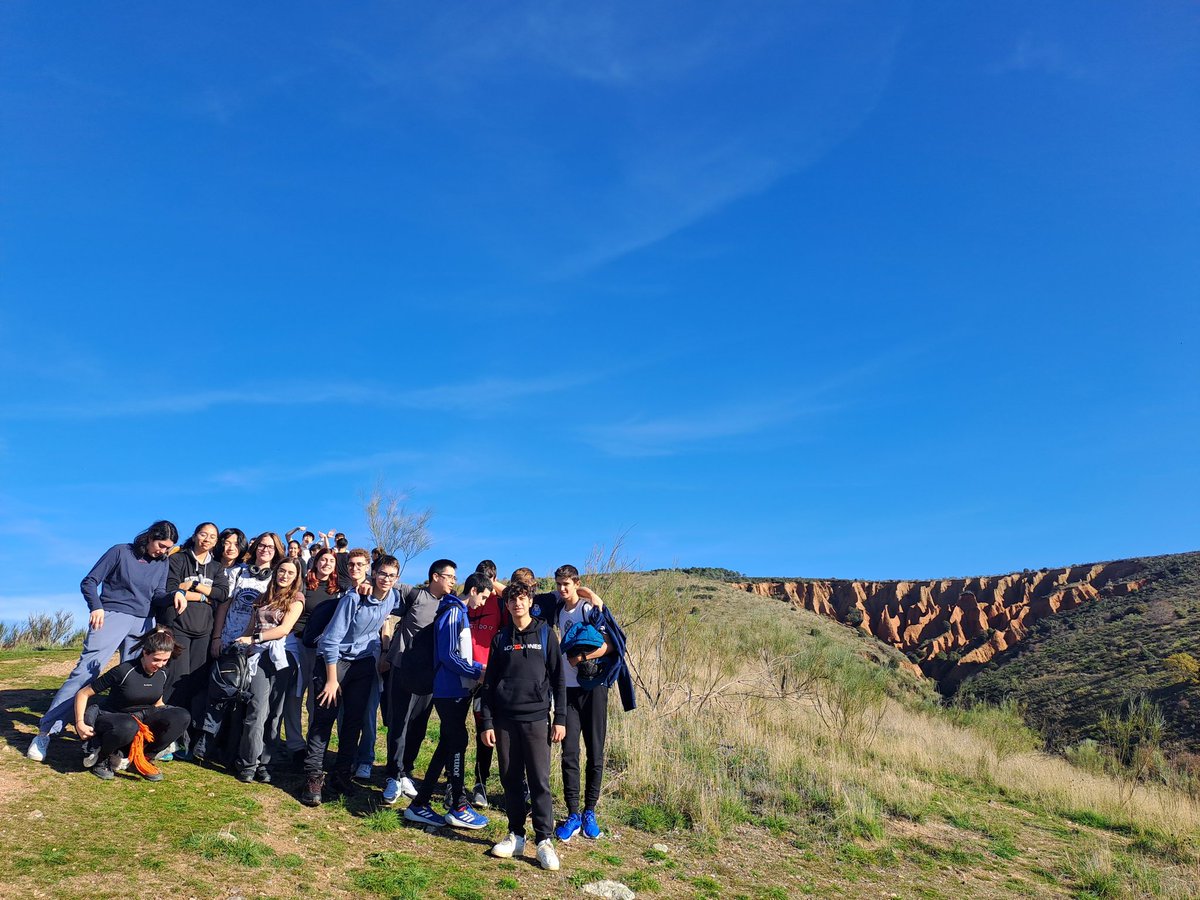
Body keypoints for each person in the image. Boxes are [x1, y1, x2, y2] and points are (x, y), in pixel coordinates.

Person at [27, 520, 178, 762]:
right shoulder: (120, 551)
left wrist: (175, 595)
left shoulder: (163, 561)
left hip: (143, 623)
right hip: (112, 616)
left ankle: (127, 742)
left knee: (137, 680)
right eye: (161, 545)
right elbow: (89, 581)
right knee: (84, 674)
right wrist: (96, 607)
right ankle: (46, 732)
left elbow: (158, 595)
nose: (164, 551)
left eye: (168, 547)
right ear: (149, 537)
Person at [300, 551, 401, 806]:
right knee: (324, 720)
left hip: (362, 665)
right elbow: (331, 641)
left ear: (396, 578)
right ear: (373, 574)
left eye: (391, 576)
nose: (385, 580)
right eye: (382, 574)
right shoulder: (353, 600)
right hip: (334, 663)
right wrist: (332, 680)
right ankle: (313, 778)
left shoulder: (393, 597)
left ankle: (341, 775)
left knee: (352, 723)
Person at [480, 581, 567, 871]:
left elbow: (558, 680)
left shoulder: (545, 634)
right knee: (510, 779)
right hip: (504, 720)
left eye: (522, 598)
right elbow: (490, 683)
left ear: (530, 601)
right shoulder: (501, 637)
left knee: (540, 781)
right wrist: (488, 722)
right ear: (506, 605)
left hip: (537, 719)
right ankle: (516, 834)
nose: (517, 604)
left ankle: (544, 840)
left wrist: (561, 718)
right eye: (511, 600)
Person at [402, 571, 489, 830]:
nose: (483, 604)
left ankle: (420, 804)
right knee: (457, 741)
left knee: (448, 744)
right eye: (482, 597)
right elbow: (450, 656)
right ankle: (458, 806)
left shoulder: (457, 613)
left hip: (457, 690)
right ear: (473, 590)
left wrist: (477, 667)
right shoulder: (453, 613)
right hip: (449, 690)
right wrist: (478, 672)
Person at [194, 531, 283, 763]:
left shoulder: (277, 578)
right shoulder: (237, 573)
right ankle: (206, 745)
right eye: (262, 545)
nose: (265, 550)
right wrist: (217, 637)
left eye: (270, 547)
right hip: (228, 640)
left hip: (255, 646)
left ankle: (231, 750)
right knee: (220, 692)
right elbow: (224, 606)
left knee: (244, 700)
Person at [543, 564, 613, 842]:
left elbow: (609, 645)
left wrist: (581, 659)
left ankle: (590, 812)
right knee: (569, 753)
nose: (562, 589)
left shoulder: (587, 609)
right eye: (559, 584)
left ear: (576, 583)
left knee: (595, 752)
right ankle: (573, 813)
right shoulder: (560, 611)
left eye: (567, 585)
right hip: (568, 690)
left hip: (594, 688)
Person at [381, 559, 458, 805]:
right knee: (398, 723)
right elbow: (386, 586)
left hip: (429, 676)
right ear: (435, 577)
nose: (453, 582)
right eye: (450, 577)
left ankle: (407, 772)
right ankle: (392, 774)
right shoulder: (413, 594)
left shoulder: (450, 605)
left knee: (418, 725)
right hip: (403, 669)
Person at [73, 626, 191, 782]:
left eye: (165, 660)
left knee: (181, 716)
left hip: (143, 718)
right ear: (145, 652)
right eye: (156, 659)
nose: (161, 664)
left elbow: (157, 702)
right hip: (113, 718)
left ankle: (142, 759)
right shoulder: (124, 671)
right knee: (129, 725)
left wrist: (171, 723)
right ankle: (102, 760)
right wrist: (79, 723)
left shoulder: (162, 672)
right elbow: (83, 693)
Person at [155, 522, 229, 756]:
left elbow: (222, 593)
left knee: (195, 683)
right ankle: (163, 737)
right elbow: (170, 588)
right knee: (176, 681)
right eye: (203, 534)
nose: (207, 539)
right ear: (195, 536)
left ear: (216, 542)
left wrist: (192, 588)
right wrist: (204, 597)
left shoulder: (217, 568)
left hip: (204, 633)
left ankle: (183, 736)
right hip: (180, 629)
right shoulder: (179, 559)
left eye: (212, 537)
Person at [231, 558, 306, 783]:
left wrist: (254, 638)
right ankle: (247, 762)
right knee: (257, 709)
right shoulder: (263, 597)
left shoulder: (296, 599)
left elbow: (284, 629)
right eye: (281, 570)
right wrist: (244, 644)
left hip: (282, 657)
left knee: (275, 712)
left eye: (290, 573)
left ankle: (265, 762)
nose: (284, 575)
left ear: (295, 578)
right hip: (259, 656)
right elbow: (252, 625)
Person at [280, 546, 340, 763]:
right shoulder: (303, 584)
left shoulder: (337, 590)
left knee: (316, 700)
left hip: (323, 650)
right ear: (315, 561)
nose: (326, 564)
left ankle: (314, 745)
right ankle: (295, 745)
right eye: (323, 560)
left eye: (330, 561)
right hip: (299, 643)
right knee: (295, 695)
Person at [467, 561, 507, 807]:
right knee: (460, 732)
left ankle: (484, 783)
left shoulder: (500, 602)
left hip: (488, 675)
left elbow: (519, 595)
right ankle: (460, 780)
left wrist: (494, 586)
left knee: (488, 730)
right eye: (482, 576)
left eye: (490, 577)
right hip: (464, 673)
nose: (486, 581)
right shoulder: (468, 599)